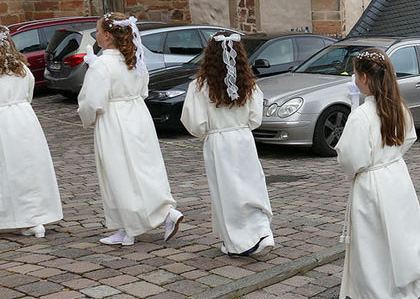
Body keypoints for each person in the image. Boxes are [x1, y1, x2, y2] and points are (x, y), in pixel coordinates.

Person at [335, 48, 420, 299]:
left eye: (355, 74)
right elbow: (409, 138)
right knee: (400, 235)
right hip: (396, 176)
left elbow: (350, 157)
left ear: (363, 78)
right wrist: (390, 159)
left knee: (371, 242)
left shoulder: (361, 116)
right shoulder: (399, 108)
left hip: (372, 181)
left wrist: (359, 169)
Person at [77, 13, 183, 246]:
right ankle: (156, 215)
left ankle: (132, 225)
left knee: (119, 172)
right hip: (138, 115)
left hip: (114, 119)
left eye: (97, 31)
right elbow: (143, 90)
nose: (95, 35)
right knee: (144, 167)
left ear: (106, 36)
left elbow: (92, 102)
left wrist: (87, 115)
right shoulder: (135, 61)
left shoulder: (102, 65)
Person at [181, 31, 273, 256]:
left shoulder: (200, 87)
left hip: (219, 142)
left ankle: (239, 242)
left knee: (227, 191)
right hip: (243, 140)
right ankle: (261, 230)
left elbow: (195, 123)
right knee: (251, 185)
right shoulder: (249, 84)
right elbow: (255, 118)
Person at [0, 24, 63, 238]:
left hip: (4, 121)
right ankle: (36, 218)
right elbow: (28, 94)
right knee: (29, 168)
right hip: (24, 119)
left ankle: (18, 217)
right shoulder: (22, 69)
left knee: (9, 170)